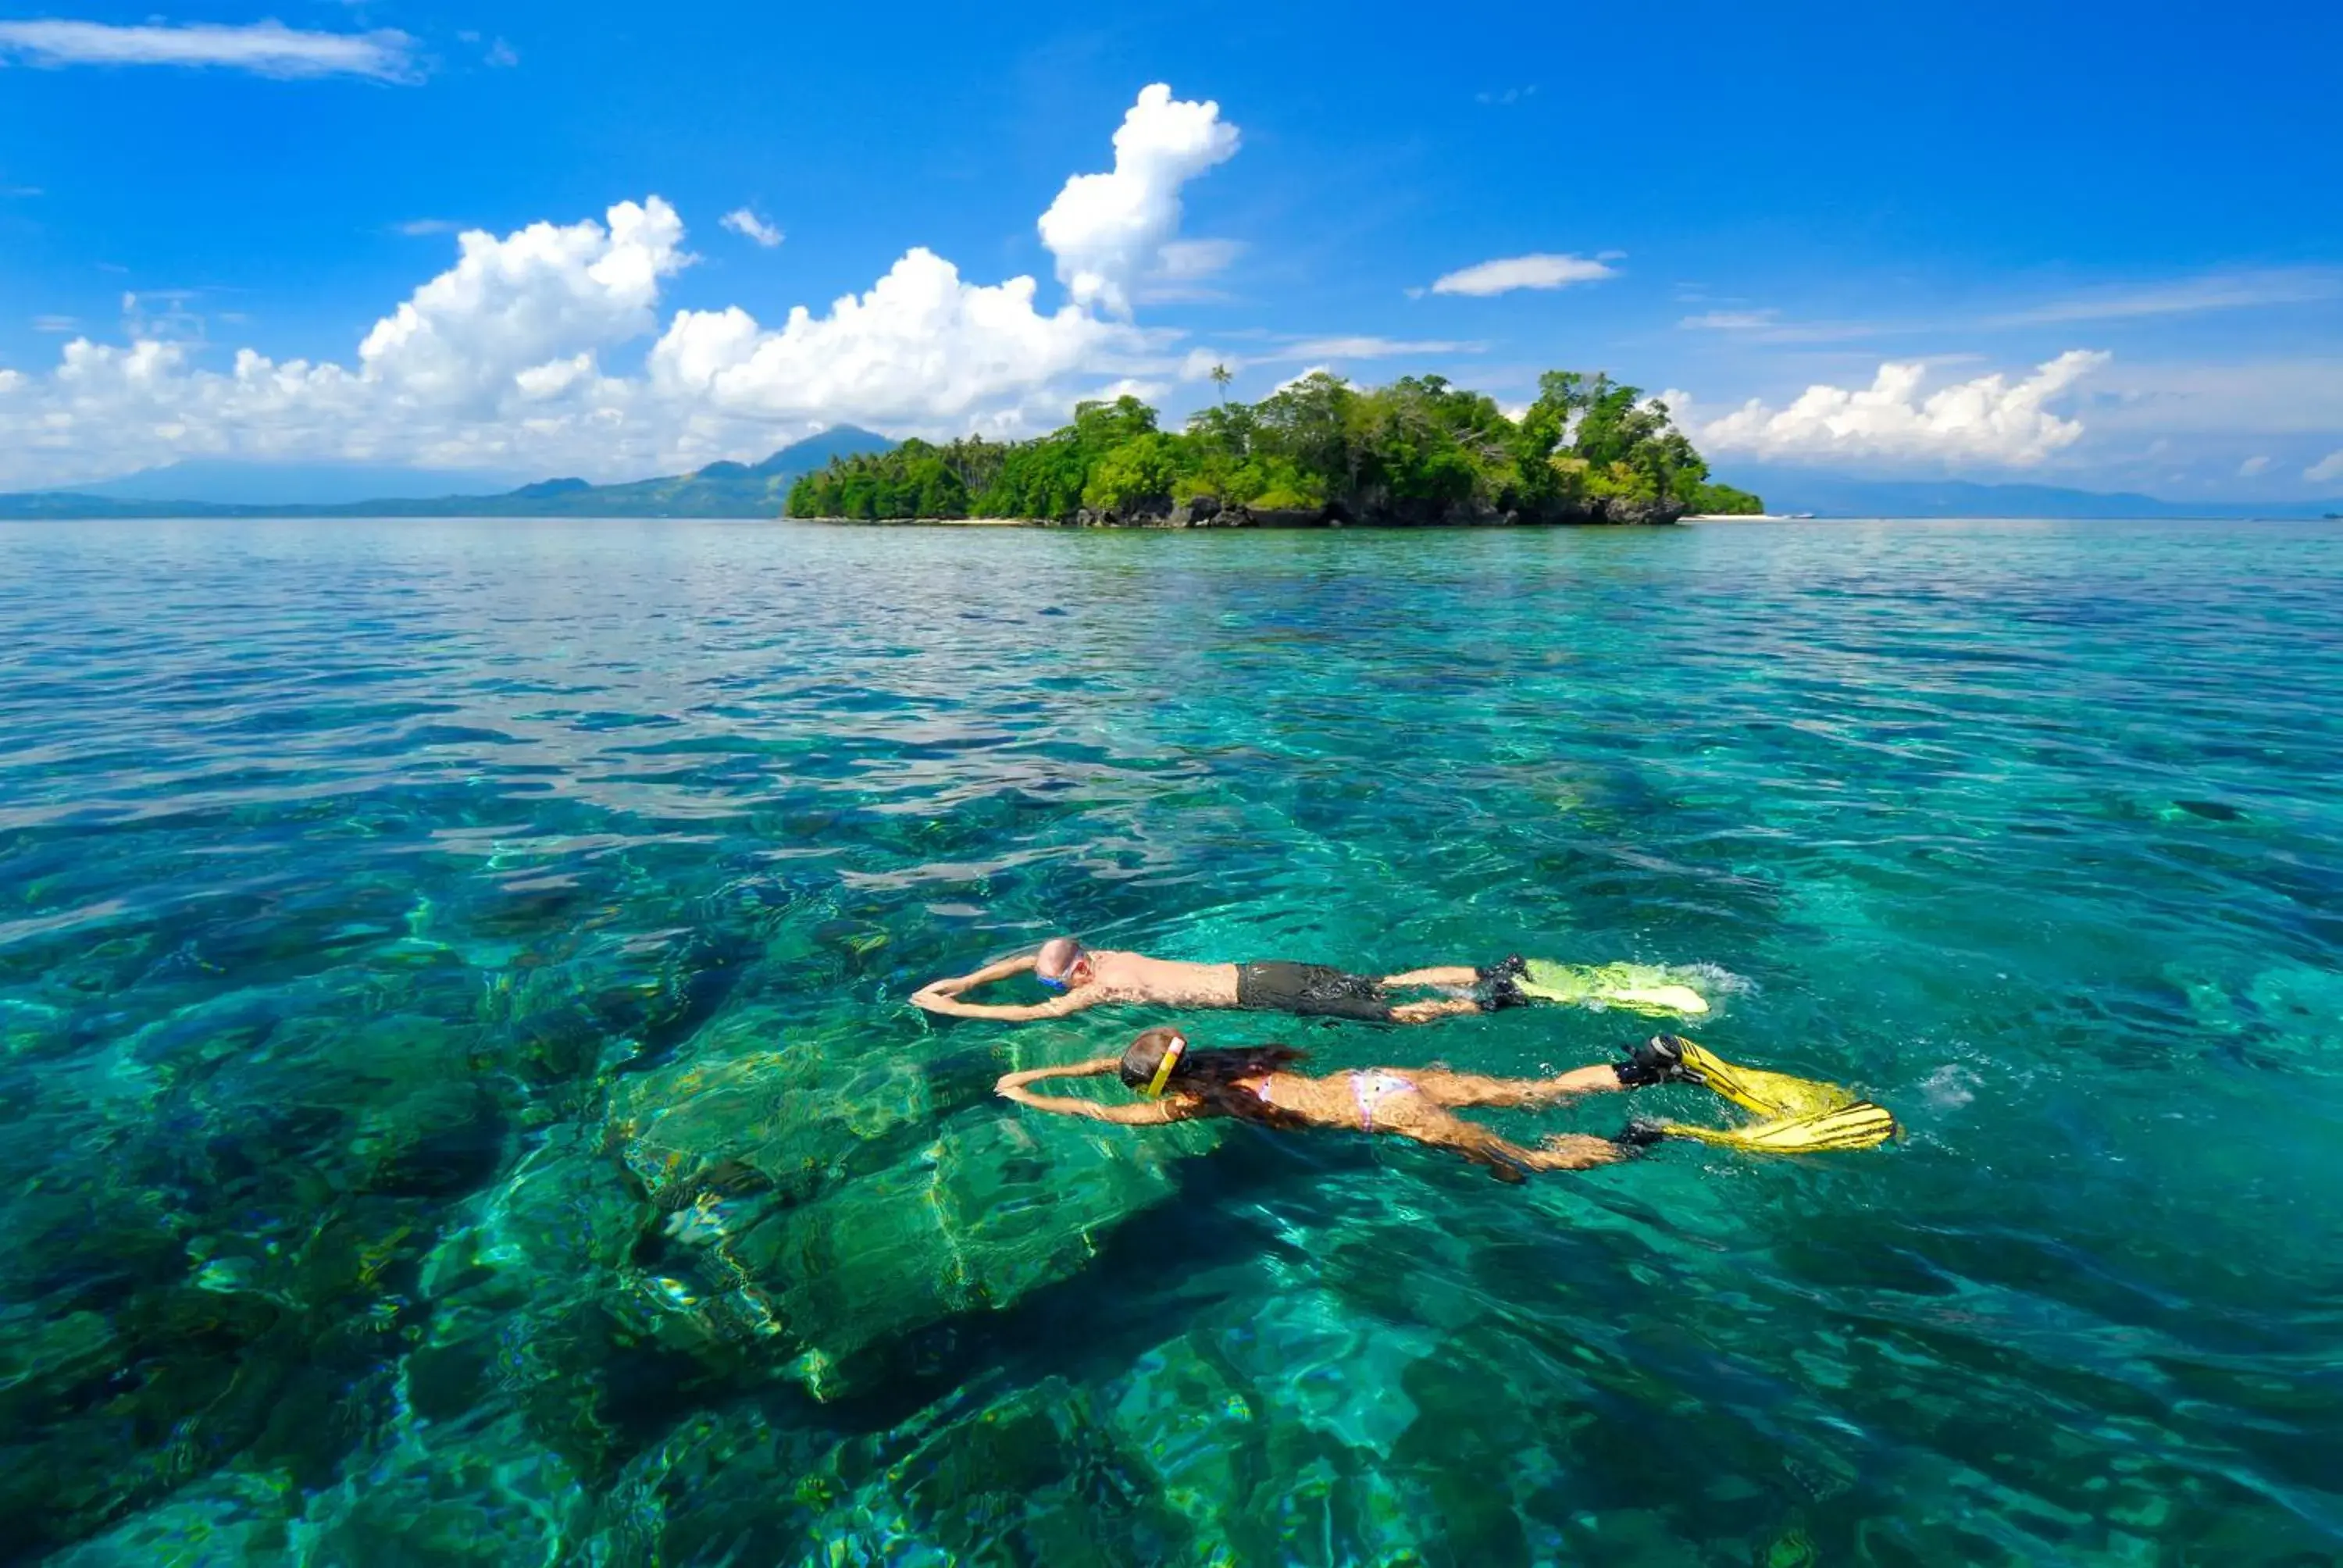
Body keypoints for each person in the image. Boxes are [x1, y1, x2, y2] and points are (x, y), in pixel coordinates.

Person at [990, 1027, 1712, 1179]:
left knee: (1520, 1160)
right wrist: (1069, 1063)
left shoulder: (1195, 1103)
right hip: (1385, 1079)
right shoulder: (1226, 1060)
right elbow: (1125, 1069)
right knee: (1538, 1092)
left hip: (1389, 1115)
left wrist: (1030, 1091)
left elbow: (1103, 1112)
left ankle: (1636, 1139)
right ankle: (1643, 1067)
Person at [913, 937, 1530, 1025]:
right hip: (1262, 967)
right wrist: (966, 980)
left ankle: (1487, 1004)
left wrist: (953, 1010)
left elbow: (1034, 1016)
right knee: (1384, 981)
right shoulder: (1097, 954)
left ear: (1077, 974)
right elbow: (1027, 960)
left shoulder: (1106, 985)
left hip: (1261, 993)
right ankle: (1488, 971)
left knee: (1386, 1013)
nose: (1057, 991)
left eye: (1060, 984)